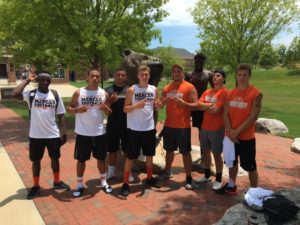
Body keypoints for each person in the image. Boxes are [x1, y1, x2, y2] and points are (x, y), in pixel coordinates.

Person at [13, 67, 70, 199]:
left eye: (48, 80)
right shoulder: (31, 94)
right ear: (38, 80)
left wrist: (64, 132)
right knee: (36, 161)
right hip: (36, 136)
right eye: (43, 79)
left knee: (55, 159)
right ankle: (36, 186)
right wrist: (27, 80)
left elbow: (61, 115)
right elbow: (15, 94)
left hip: (53, 135)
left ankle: (57, 182)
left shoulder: (55, 94)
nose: (45, 82)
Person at [217, 63, 263, 194]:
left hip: (246, 137)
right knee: (232, 162)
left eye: (245, 75)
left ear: (249, 76)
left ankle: (254, 192)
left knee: (250, 166)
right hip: (231, 136)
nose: (241, 78)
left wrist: (236, 132)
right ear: (236, 76)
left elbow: (253, 117)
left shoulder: (256, 94)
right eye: (239, 75)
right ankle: (231, 186)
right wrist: (230, 131)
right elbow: (225, 113)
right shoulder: (230, 93)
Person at [67, 69, 112, 197]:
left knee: (101, 159)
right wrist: (77, 110)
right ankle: (80, 185)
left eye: (97, 76)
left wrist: (106, 108)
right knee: (81, 160)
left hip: (99, 132)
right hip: (83, 132)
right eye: (92, 76)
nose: (95, 78)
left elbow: (109, 112)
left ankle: (103, 182)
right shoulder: (79, 92)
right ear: (87, 77)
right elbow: (69, 108)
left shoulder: (104, 93)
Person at [157, 64, 202, 190]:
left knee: (185, 152)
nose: (176, 74)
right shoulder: (167, 87)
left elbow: (196, 105)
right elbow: (159, 106)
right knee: (169, 150)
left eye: (178, 71)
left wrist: (184, 104)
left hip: (183, 126)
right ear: (172, 74)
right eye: (174, 71)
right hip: (169, 125)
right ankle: (167, 171)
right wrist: (161, 103)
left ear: (183, 73)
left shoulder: (189, 87)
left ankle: (188, 177)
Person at [120, 65, 161, 197]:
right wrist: (136, 106)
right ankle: (125, 183)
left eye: (147, 74)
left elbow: (156, 106)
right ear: (138, 76)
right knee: (131, 157)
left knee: (149, 155)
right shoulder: (132, 90)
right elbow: (125, 109)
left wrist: (159, 105)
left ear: (149, 75)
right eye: (142, 74)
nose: (144, 76)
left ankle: (149, 178)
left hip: (149, 128)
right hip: (135, 129)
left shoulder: (154, 89)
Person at [193, 69, 228, 190]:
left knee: (217, 154)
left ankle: (218, 179)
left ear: (223, 78)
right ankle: (207, 175)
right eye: (214, 76)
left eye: (218, 76)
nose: (215, 77)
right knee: (206, 152)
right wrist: (210, 106)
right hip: (205, 127)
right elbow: (198, 105)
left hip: (217, 128)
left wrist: (204, 106)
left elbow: (217, 110)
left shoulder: (224, 93)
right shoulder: (207, 91)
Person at [105, 68, 133, 182]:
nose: (121, 77)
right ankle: (111, 171)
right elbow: (106, 112)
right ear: (115, 76)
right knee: (112, 149)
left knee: (127, 150)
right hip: (113, 124)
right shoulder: (107, 90)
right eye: (118, 75)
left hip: (128, 124)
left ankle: (128, 172)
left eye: (123, 75)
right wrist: (110, 103)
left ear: (126, 77)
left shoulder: (130, 90)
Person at [185, 53, 213, 168]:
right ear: (194, 61)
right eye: (197, 61)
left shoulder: (208, 74)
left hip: (202, 106)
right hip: (190, 105)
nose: (199, 63)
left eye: (201, 61)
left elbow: (215, 88)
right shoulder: (189, 74)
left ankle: (204, 156)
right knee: (183, 127)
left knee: (202, 132)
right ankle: (185, 154)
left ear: (204, 62)